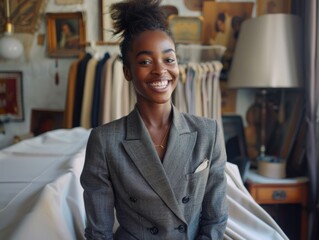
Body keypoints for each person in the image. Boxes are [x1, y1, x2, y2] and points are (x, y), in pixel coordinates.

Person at [80, 0, 228, 239]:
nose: (160, 70)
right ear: (128, 71)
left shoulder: (208, 133)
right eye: (145, 62)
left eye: (169, 59)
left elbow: (215, 219)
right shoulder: (104, 141)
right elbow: (99, 232)